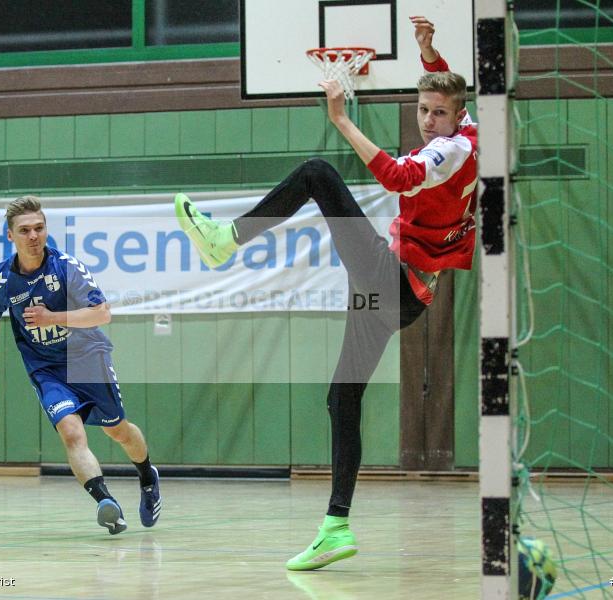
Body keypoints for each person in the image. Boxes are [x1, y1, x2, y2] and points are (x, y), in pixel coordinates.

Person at [174, 16, 476, 570]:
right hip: (397, 295)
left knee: (317, 173)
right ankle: (336, 527)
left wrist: (340, 118)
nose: (429, 121)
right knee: (342, 398)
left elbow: (396, 176)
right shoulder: (467, 129)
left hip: (393, 281)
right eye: (422, 110)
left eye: (439, 113)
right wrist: (429, 53)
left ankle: (225, 240)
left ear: (457, 117)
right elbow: (445, 88)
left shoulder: (448, 152)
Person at [0, 195, 162, 535]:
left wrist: (52, 317)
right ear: (10, 236)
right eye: (25, 230)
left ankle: (148, 476)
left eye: (39, 228)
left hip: (87, 358)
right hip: (46, 369)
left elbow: (102, 313)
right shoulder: (2, 278)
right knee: (71, 432)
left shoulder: (66, 267)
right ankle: (107, 504)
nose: (34, 236)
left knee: (116, 429)